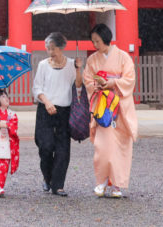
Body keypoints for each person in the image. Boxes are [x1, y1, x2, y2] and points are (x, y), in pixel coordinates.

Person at [82, 23, 138, 199]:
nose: (95, 45)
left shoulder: (123, 57)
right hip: (103, 107)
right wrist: (97, 84)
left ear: (106, 38)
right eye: (93, 42)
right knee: (103, 146)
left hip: (119, 107)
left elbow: (129, 79)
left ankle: (117, 185)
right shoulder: (92, 60)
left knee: (120, 147)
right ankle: (102, 181)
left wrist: (113, 83)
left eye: (97, 41)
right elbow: (87, 79)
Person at [31, 32, 83, 196]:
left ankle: (58, 185)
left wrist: (78, 69)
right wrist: (47, 102)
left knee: (62, 149)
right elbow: (37, 88)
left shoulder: (71, 64)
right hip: (45, 109)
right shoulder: (43, 65)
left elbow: (79, 85)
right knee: (45, 146)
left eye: (53, 49)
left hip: (64, 110)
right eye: (48, 49)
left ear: (61, 48)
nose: (50, 52)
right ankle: (47, 178)